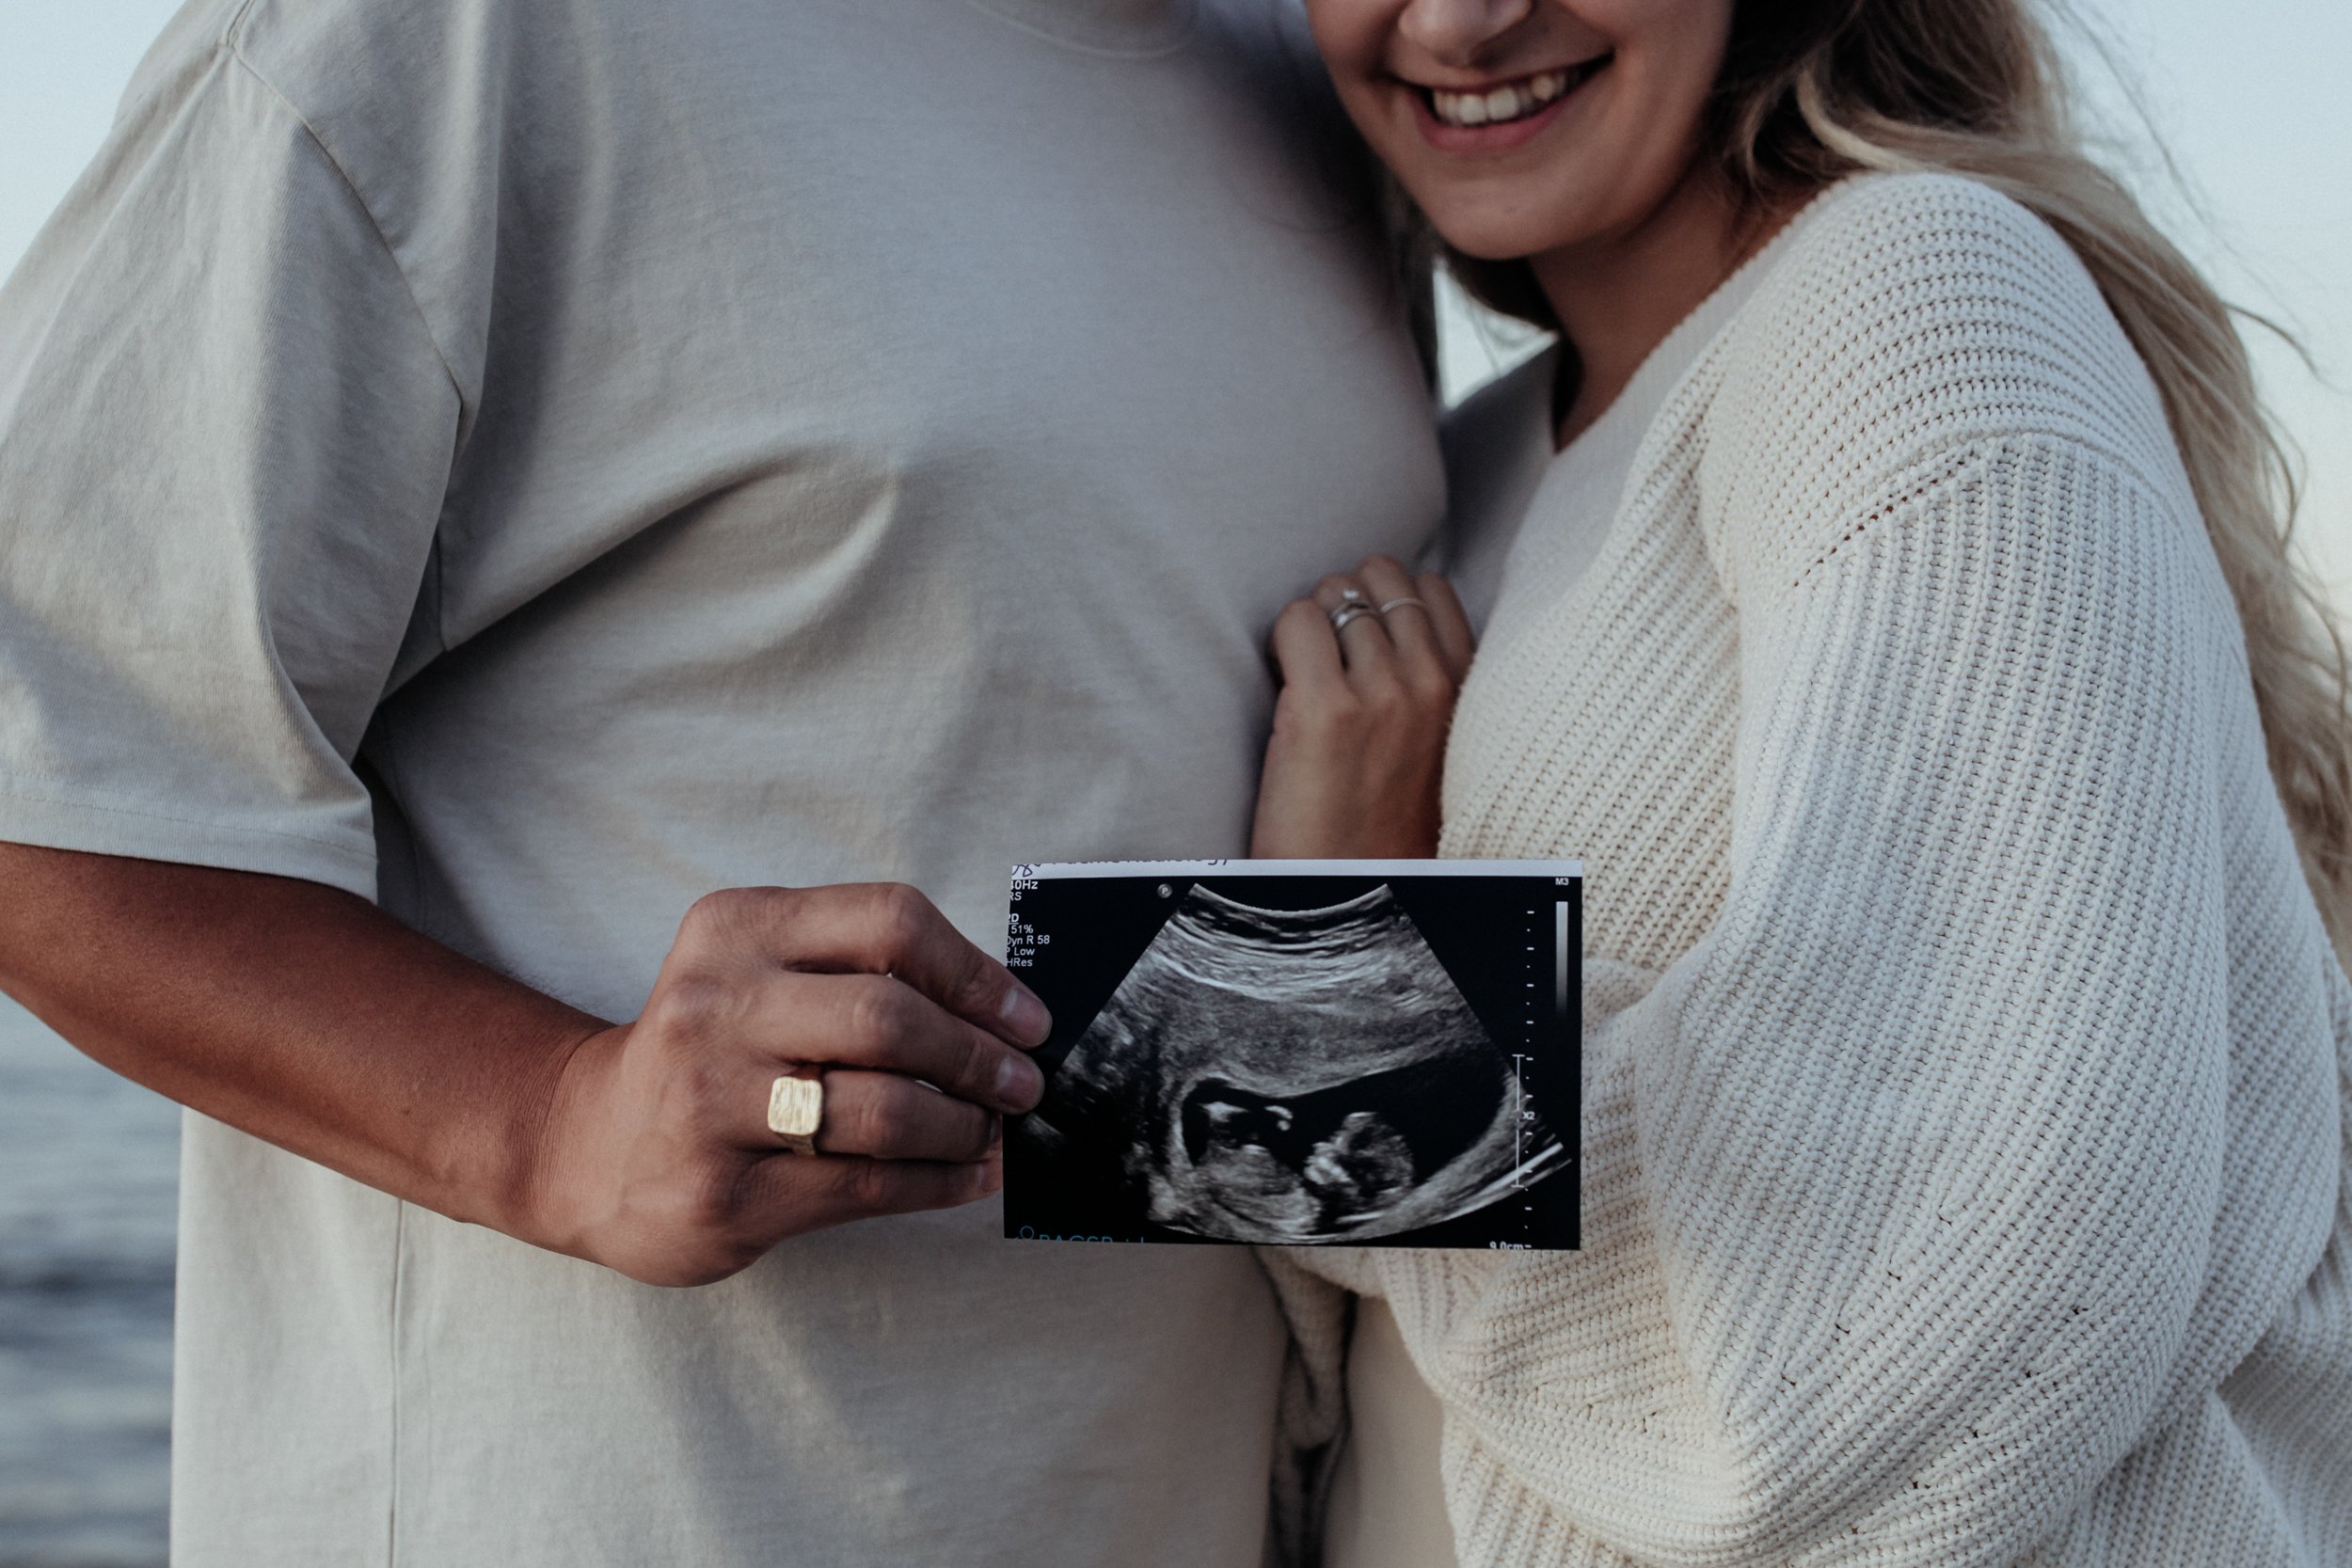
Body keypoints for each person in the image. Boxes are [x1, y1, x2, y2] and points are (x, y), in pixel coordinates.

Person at [0, 0, 1450, 1562]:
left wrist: (1334, 940)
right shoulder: (475, 36)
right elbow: (47, 770)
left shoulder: (1318, 69)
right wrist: (554, 1120)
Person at [1247, 0, 2352, 1563]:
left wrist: (1336, 957)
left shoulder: (1913, 297)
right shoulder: (1477, 462)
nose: (1463, 21)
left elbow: (1956, 1261)